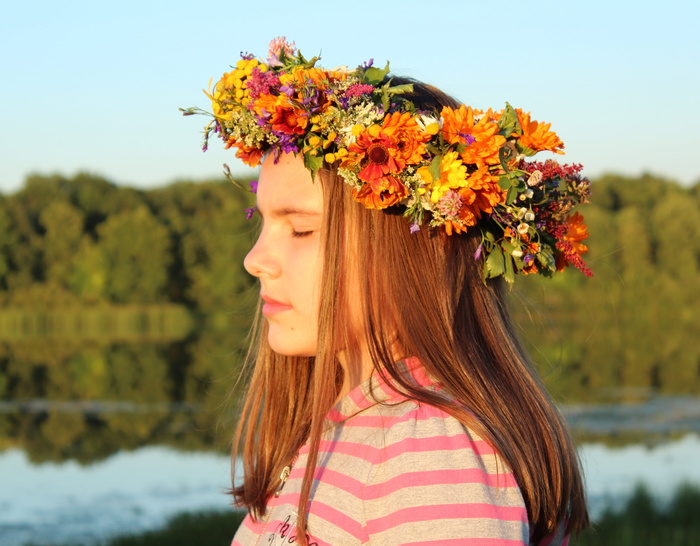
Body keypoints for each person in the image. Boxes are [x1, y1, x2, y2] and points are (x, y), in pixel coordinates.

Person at [185, 37, 591, 545]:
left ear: (407, 248)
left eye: (302, 229)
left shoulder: (429, 456)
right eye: (263, 224)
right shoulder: (353, 424)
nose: (255, 259)